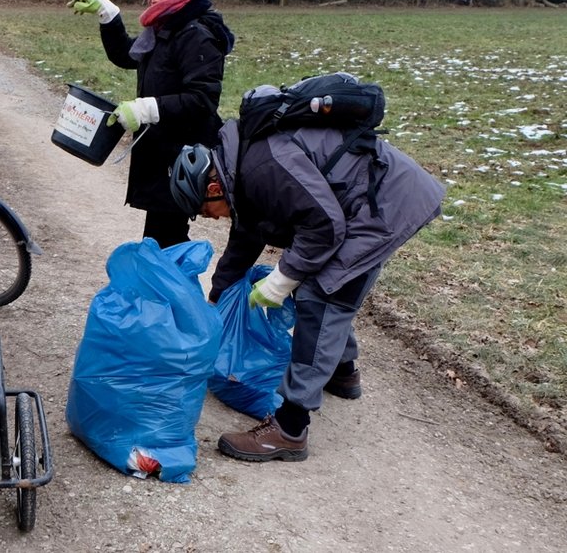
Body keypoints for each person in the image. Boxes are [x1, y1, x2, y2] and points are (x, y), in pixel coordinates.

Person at [169, 117, 445, 462]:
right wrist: (219, 296)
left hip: (384, 204)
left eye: (205, 211)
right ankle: (343, 374)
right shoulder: (240, 169)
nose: (211, 218)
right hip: (365, 200)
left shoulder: (260, 168)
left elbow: (325, 228)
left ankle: (290, 429)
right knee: (318, 285)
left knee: (322, 296)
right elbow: (247, 233)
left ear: (212, 188)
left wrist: (281, 280)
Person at [65, 0, 234, 248]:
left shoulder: (196, 35)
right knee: (162, 238)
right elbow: (127, 55)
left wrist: (147, 108)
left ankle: (169, 293)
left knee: (165, 239)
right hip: (162, 150)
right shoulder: (162, 28)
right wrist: (108, 13)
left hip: (184, 155)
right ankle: (164, 291)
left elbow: (202, 100)